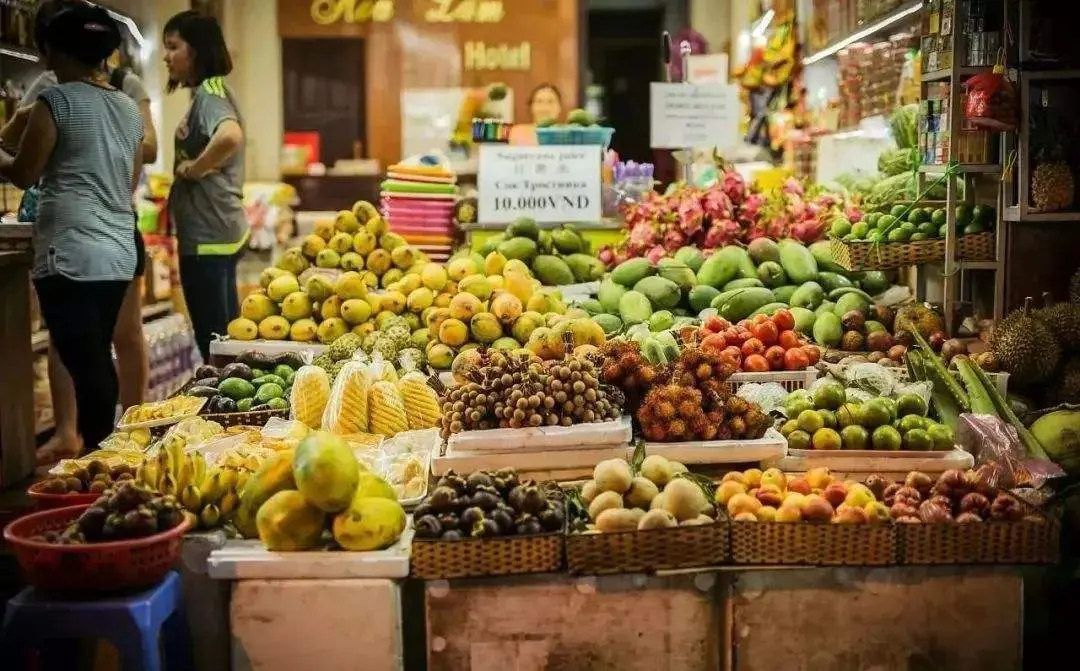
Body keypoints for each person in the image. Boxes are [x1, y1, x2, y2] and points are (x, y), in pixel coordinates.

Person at [0, 1, 159, 463]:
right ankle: (110, 452)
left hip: (68, 252)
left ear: (55, 52)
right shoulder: (128, 109)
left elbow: (26, 172)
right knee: (96, 354)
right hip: (116, 251)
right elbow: (128, 181)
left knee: (84, 360)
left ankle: (101, 456)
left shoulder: (56, 101)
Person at [163, 10, 247, 361]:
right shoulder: (206, 94)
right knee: (226, 337)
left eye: (173, 47)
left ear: (195, 51)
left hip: (209, 237)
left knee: (216, 342)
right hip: (212, 232)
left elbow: (230, 135)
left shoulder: (210, 95)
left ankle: (225, 411)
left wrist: (195, 169)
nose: (166, 57)